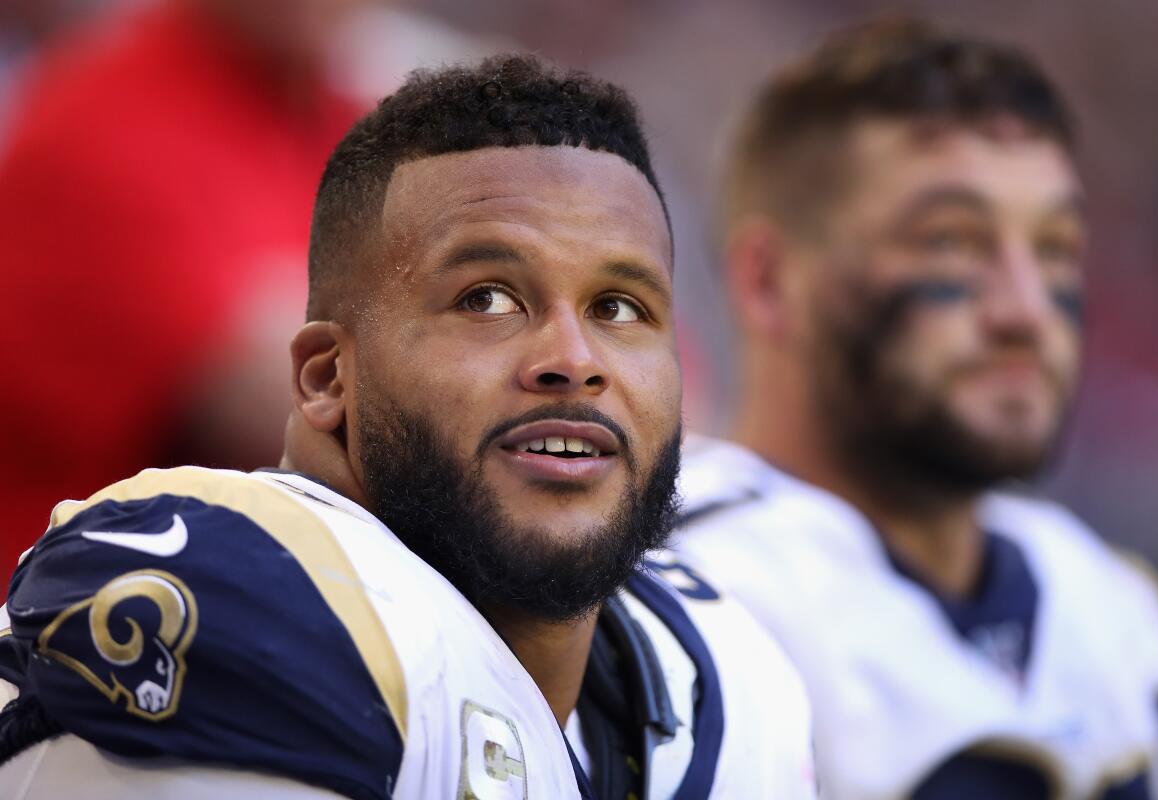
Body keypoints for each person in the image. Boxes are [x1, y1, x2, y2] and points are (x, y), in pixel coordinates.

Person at [0, 55, 816, 799]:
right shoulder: (247, 603)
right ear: (327, 378)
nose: (574, 358)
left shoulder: (730, 686)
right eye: (487, 299)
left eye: (619, 307)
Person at [671, 17, 1158, 800]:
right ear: (771, 283)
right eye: (951, 243)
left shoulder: (1109, 601)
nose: (1024, 309)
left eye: (1055, 248)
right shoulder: (686, 601)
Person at [0, 0, 362, 585]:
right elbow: (299, 411)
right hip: (78, 639)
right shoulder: (102, 117)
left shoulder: (335, 109)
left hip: (235, 613)